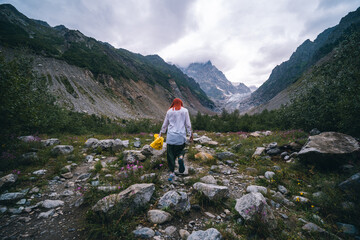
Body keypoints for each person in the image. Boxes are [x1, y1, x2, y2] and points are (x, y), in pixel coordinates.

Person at [160, 98, 193, 181]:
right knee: (181, 150)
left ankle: (171, 172)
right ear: (181, 103)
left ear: (173, 103)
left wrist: (161, 133)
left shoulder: (169, 111)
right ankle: (180, 157)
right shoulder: (185, 111)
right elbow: (188, 124)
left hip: (171, 136)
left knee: (170, 154)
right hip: (181, 136)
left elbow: (165, 124)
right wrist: (190, 134)